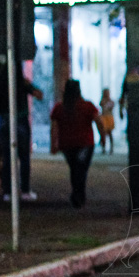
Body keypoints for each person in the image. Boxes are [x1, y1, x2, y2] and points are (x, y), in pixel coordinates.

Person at [0, 62, 43, 201]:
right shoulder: (21, 82)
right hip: (20, 119)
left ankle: (7, 191)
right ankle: (24, 190)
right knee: (24, 158)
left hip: (3, 121)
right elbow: (38, 94)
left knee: (7, 158)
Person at [50, 79, 105, 208]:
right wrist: (103, 137)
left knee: (75, 169)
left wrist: (54, 144)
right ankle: (79, 195)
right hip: (85, 144)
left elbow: (54, 127)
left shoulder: (59, 108)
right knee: (80, 169)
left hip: (67, 145)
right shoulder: (87, 106)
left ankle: (77, 195)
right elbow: (99, 122)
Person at [98, 88, 116, 154]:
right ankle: (103, 148)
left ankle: (111, 148)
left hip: (109, 118)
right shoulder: (102, 101)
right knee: (103, 133)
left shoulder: (111, 101)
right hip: (104, 118)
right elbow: (101, 104)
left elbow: (112, 107)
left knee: (110, 133)